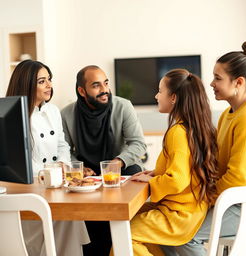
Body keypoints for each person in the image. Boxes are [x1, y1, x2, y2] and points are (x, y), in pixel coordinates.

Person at [162, 41, 246, 256]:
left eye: (218, 78)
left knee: (185, 235)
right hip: (227, 200)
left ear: (238, 82)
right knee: (167, 228)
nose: (211, 83)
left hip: (243, 206)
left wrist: (206, 197)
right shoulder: (228, 114)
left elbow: (239, 177)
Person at [129, 68, 218, 256]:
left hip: (180, 214)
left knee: (125, 234)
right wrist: (154, 173)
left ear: (174, 98)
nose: (156, 95)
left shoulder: (177, 132)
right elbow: (185, 168)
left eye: (160, 91)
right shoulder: (192, 127)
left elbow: (177, 180)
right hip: (191, 208)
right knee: (131, 218)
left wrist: (152, 182)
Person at [6, 59, 90, 256]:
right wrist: (49, 174)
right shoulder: (13, 114)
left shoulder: (53, 111)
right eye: (42, 81)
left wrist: (62, 164)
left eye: (49, 79)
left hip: (56, 185)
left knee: (69, 216)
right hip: (30, 189)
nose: (50, 85)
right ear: (26, 84)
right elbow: (16, 161)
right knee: (55, 226)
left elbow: (62, 144)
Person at [61, 65, 146, 255]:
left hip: (120, 171)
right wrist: (78, 167)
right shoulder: (66, 114)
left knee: (117, 222)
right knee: (92, 231)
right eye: (96, 85)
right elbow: (65, 149)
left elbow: (138, 144)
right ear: (82, 91)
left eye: (106, 83)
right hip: (86, 176)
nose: (104, 90)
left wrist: (117, 162)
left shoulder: (123, 106)